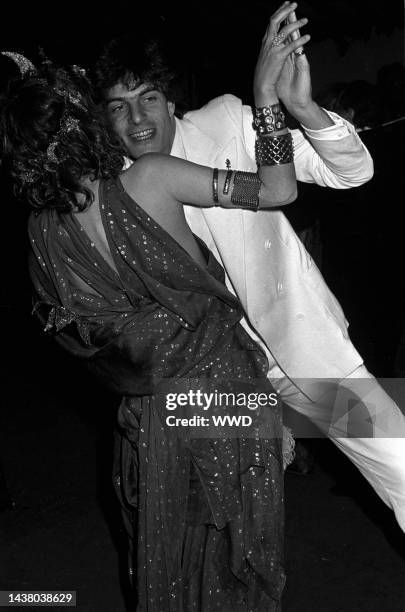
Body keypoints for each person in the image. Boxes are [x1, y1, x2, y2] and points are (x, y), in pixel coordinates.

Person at [0, 17, 309, 610]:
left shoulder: (41, 236)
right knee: (240, 564)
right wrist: (267, 101)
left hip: (147, 419)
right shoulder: (152, 179)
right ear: (87, 120)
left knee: (172, 569)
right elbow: (280, 190)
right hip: (225, 401)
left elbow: (81, 336)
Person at [94, 1, 405, 532]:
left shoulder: (227, 124)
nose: (138, 119)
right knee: (214, 535)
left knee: (400, 462)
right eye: (120, 107)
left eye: (148, 99)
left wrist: (298, 108)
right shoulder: (112, 194)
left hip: (310, 357)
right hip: (215, 385)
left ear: (172, 103)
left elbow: (351, 172)